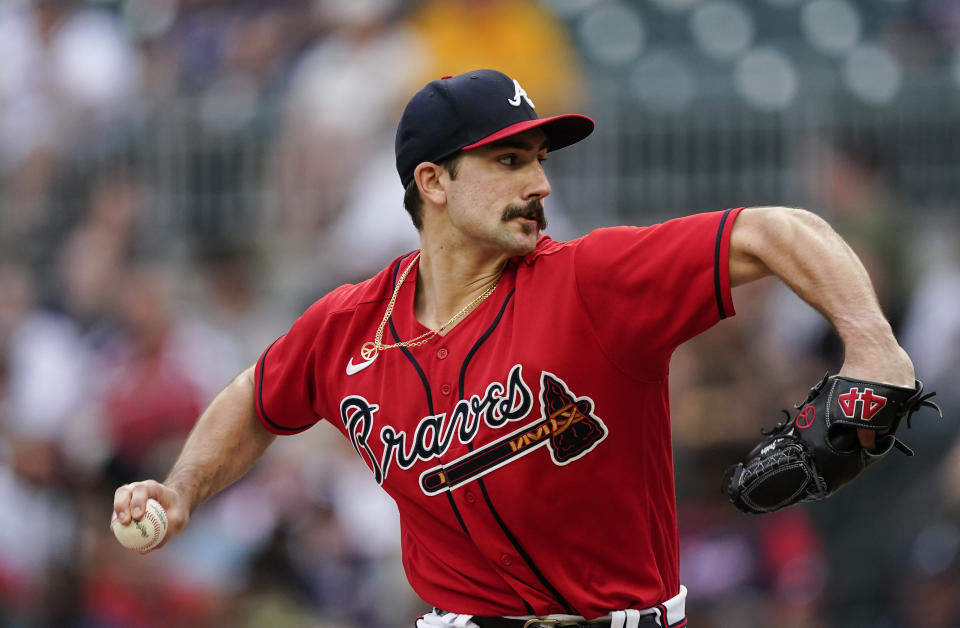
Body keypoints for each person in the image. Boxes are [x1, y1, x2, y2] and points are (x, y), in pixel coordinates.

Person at [112, 69, 917, 628]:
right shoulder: (346, 327)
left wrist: (874, 347)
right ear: (433, 183)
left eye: (539, 158)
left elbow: (778, 229)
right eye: (508, 160)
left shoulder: (593, 282)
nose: (540, 183)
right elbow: (255, 399)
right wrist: (183, 489)